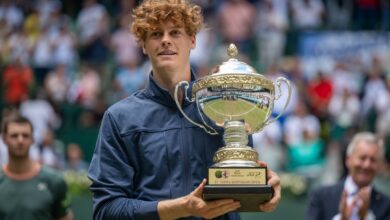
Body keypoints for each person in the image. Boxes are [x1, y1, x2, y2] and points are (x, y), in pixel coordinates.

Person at [87, 0, 281, 219]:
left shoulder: (226, 106)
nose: (166, 40)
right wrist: (183, 207)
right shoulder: (119, 118)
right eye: (156, 34)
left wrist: (265, 185)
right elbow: (106, 211)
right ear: (143, 45)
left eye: (175, 32)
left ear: (193, 40)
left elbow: (239, 178)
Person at [0, 114, 73, 220]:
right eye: (14, 135)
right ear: (4, 138)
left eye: (25, 135)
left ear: (33, 139)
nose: (20, 140)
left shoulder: (55, 182)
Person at [305, 132, 390, 220]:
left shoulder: (386, 205)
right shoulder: (321, 196)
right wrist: (342, 218)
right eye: (362, 158)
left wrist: (365, 217)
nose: (366, 165)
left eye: (373, 160)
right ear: (348, 160)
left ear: (379, 166)